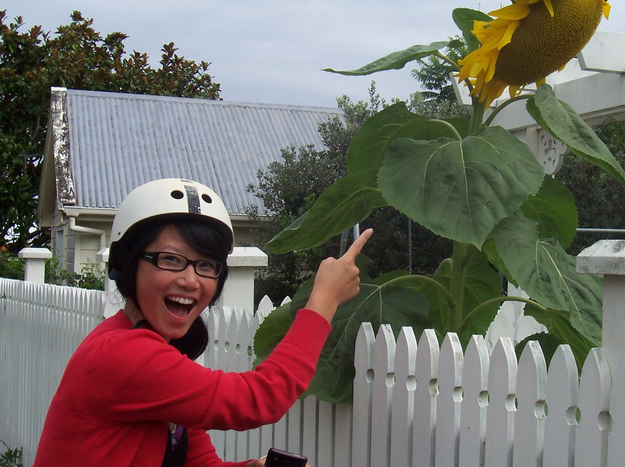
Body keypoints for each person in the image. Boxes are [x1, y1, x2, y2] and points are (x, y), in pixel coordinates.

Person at [33, 178, 372, 467]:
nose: (190, 280)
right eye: (171, 259)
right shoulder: (123, 355)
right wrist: (323, 300)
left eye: (206, 265)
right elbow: (260, 399)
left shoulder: (156, 357)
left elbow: (196, 462)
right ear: (128, 264)